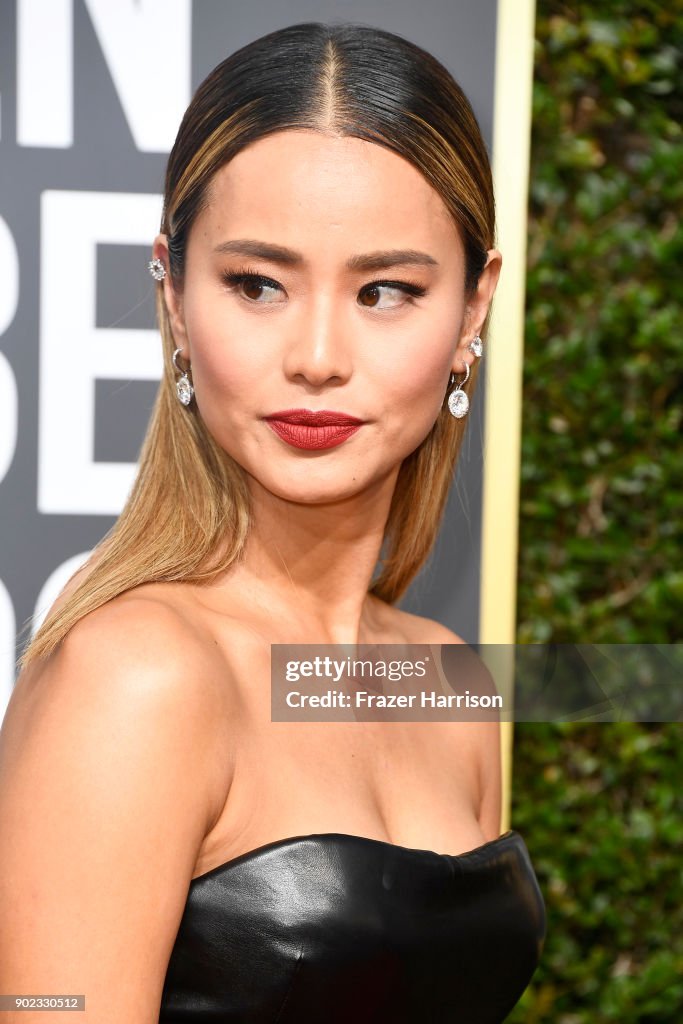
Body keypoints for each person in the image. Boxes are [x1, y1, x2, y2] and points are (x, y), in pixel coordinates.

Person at [0, 21, 545, 1023]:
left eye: (385, 290)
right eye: (257, 284)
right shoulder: (137, 675)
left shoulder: (449, 680)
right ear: (171, 290)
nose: (317, 354)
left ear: (473, 305)